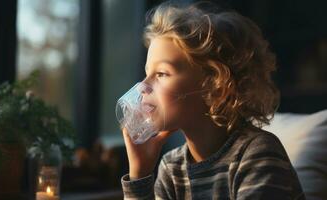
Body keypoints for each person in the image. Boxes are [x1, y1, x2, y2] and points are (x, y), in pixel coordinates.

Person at [120, 2, 305, 199]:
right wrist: (139, 174)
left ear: (216, 85)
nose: (142, 86)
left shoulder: (256, 154)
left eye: (162, 73)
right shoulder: (172, 169)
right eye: (148, 73)